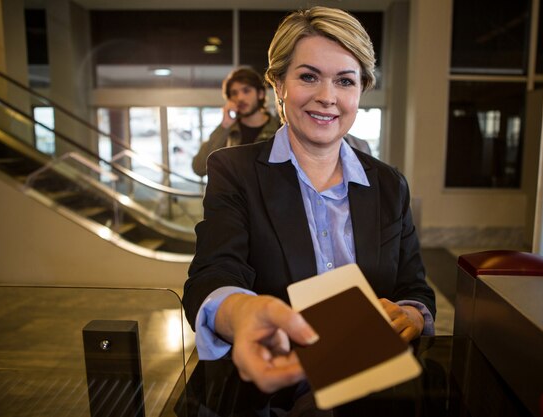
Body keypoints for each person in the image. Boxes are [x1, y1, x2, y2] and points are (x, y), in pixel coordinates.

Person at [182, 5, 436, 409]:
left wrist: (412, 314)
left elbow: (414, 287)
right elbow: (213, 273)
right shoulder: (235, 171)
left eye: (345, 81)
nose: (327, 97)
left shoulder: (388, 184)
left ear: (361, 90)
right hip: (269, 398)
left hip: (372, 395)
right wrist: (243, 312)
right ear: (278, 83)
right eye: (308, 76)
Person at [191, 67, 281, 176]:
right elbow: (199, 168)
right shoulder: (227, 132)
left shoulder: (280, 130)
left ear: (260, 94)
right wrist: (224, 126)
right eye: (234, 93)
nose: (240, 98)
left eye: (246, 90)